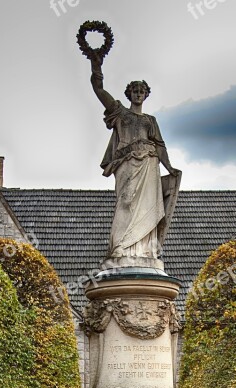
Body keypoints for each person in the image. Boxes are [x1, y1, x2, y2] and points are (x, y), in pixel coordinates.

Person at [90, 54, 180, 265]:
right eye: (135, 91)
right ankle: (120, 247)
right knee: (126, 201)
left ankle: (144, 250)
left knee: (149, 205)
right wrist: (96, 66)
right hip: (128, 164)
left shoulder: (150, 120)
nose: (138, 94)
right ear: (129, 94)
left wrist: (169, 167)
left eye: (142, 92)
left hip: (150, 164)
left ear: (146, 95)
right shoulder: (120, 113)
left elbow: (160, 145)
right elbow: (99, 90)